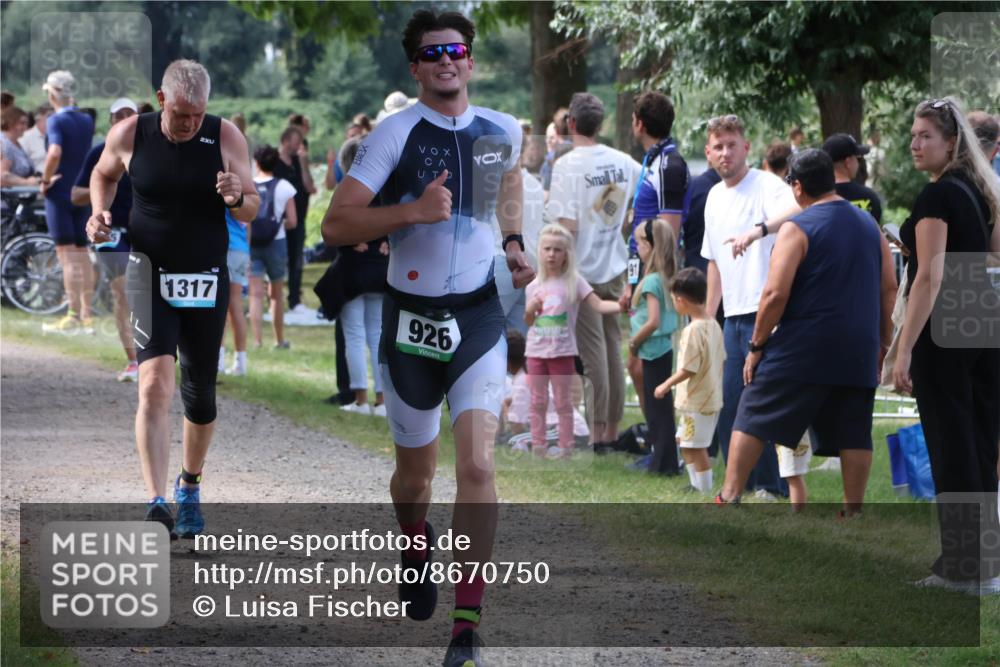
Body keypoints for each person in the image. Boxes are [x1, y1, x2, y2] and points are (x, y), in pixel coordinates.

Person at [321, 10, 532, 665]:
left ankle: (467, 625)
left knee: (476, 464)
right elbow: (334, 224)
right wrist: (410, 211)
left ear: (470, 60)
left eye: (457, 50)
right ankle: (414, 540)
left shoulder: (504, 129)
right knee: (415, 479)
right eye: (433, 53)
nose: (447, 61)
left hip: (476, 318)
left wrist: (516, 242)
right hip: (409, 322)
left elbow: (511, 184)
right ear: (415, 66)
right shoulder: (393, 134)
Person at [85, 59, 259, 538]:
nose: (189, 123)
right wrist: (99, 212)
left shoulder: (224, 137)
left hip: (205, 274)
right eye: (182, 114)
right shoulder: (130, 134)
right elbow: (103, 174)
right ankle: (156, 500)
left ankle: (190, 485)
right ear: (162, 101)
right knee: (153, 384)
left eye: (198, 115)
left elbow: (252, 208)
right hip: (148, 269)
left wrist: (236, 194)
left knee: (199, 395)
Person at [717, 149, 896, 515]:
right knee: (854, 426)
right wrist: (884, 341)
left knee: (752, 408)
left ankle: (729, 495)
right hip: (858, 346)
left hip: (805, 344)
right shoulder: (869, 226)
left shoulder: (798, 227)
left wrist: (757, 345)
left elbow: (774, 293)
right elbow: (889, 286)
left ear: (797, 187)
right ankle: (853, 510)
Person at [891, 98, 1000, 591]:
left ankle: (966, 567)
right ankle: (983, 566)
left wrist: (905, 348)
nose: (915, 144)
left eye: (925, 136)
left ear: (951, 142)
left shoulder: (937, 196)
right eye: (913, 135)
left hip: (946, 328)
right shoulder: (977, 190)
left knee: (953, 443)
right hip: (978, 321)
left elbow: (928, 278)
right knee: (976, 441)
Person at [700, 114, 800, 498]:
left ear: (746, 148)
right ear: (709, 154)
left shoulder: (768, 186)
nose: (726, 152)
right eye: (718, 146)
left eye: (732, 144)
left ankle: (770, 487)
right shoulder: (712, 197)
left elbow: (799, 209)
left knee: (761, 403)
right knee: (730, 405)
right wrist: (708, 319)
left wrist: (759, 230)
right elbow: (714, 262)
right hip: (732, 317)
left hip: (768, 310)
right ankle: (737, 486)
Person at [547, 92, 642, 453]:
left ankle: (600, 435)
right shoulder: (623, 161)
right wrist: (613, 220)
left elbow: (567, 226)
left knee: (592, 353)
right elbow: (637, 193)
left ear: (571, 123)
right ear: (599, 124)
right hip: (614, 263)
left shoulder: (566, 165)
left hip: (583, 268)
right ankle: (612, 427)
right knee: (611, 348)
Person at [523, 224, 622, 459]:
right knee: (537, 402)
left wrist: (622, 306)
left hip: (563, 353)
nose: (551, 254)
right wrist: (530, 308)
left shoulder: (574, 282)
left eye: (558, 250)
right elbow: (528, 320)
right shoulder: (533, 285)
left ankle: (566, 447)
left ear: (566, 253)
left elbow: (598, 305)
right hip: (536, 353)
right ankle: (539, 446)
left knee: (563, 403)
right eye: (547, 249)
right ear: (539, 251)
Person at [624, 92, 690, 413]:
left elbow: (668, 232)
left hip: (656, 274)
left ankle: (662, 442)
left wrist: (653, 282)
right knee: (635, 364)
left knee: (645, 363)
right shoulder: (653, 159)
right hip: (639, 268)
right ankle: (656, 439)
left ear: (639, 124)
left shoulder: (669, 164)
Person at [71, 98, 140, 381]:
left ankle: (153, 355)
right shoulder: (99, 153)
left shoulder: (152, 151)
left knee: (148, 293)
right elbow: (75, 196)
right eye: (118, 115)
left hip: (144, 230)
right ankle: (134, 361)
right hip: (110, 232)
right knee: (123, 290)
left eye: (129, 114)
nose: (124, 119)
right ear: (110, 121)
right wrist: (104, 182)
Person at [654, 267, 724, 493]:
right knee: (685, 442)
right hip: (707, 398)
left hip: (697, 401)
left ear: (681, 300)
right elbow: (722, 359)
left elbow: (688, 368)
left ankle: (703, 489)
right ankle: (695, 485)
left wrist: (665, 384)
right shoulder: (714, 325)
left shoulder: (693, 330)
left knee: (697, 447)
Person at [38, 70, 96, 335]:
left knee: (67, 256)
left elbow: (55, 152)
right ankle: (87, 315)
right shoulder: (86, 120)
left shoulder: (55, 122)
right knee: (83, 255)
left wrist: (45, 180)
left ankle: (72, 314)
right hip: (81, 192)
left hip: (60, 192)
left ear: (52, 94)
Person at [336, 136, 389, 417]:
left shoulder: (346, 193)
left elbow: (333, 229)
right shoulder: (384, 191)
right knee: (378, 335)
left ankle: (360, 399)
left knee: (354, 336)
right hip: (380, 271)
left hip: (353, 270)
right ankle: (382, 400)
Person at [623, 217, 680, 475]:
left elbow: (654, 321)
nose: (637, 248)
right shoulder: (664, 277)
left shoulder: (651, 281)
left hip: (652, 349)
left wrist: (634, 342)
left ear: (650, 245)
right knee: (661, 409)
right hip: (660, 349)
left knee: (658, 412)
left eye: (639, 243)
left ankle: (663, 463)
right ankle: (664, 461)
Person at [248, 145, 297, 350]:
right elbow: (292, 221)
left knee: (255, 293)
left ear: (256, 163)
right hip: (276, 243)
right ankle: (278, 339)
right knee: (276, 293)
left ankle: (258, 341)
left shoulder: (248, 185)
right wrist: (275, 224)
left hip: (252, 242)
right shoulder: (284, 186)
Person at [219, 113, 252, 377]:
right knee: (236, 307)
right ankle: (241, 361)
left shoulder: (223, 181)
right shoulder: (245, 181)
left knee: (217, 306)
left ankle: (217, 359)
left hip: (224, 247)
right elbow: (247, 221)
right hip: (241, 247)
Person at [273, 125, 316, 318]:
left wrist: (304, 163)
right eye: (295, 143)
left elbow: (309, 187)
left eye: (300, 144)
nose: (298, 147)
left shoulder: (299, 162)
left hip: (299, 218)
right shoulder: (272, 162)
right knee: (276, 260)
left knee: (296, 261)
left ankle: (294, 299)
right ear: (285, 142)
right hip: (278, 220)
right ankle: (274, 298)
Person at [822, 133, 883, 223]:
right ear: (848, 162)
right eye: (858, 158)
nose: (858, 163)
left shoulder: (816, 198)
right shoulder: (869, 198)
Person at [1, 106, 40, 186]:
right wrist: (26, 182)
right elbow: (2, 176)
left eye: (26, 124)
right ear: (10, 122)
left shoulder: (16, 143)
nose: (25, 128)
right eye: (22, 123)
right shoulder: (4, 144)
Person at [20, 104, 52, 174]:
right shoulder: (25, 138)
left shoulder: (58, 136)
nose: (53, 120)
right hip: (36, 181)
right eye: (49, 117)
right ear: (38, 119)